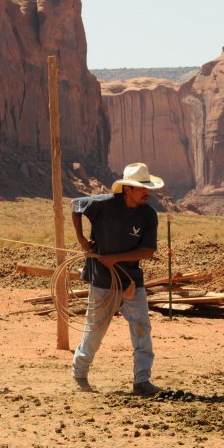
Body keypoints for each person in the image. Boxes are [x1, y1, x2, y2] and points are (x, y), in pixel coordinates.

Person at [70, 163, 165, 396]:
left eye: (147, 189)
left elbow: (147, 251)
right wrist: (82, 240)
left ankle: (141, 380)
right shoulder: (103, 204)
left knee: (142, 327)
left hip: (132, 279)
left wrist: (116, 258)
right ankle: (80, 374)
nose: (147, 193)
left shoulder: (148, 214)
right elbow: (75, 206)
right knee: (95, 329)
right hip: (102, 279)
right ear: (127, 190)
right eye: (141, 188)